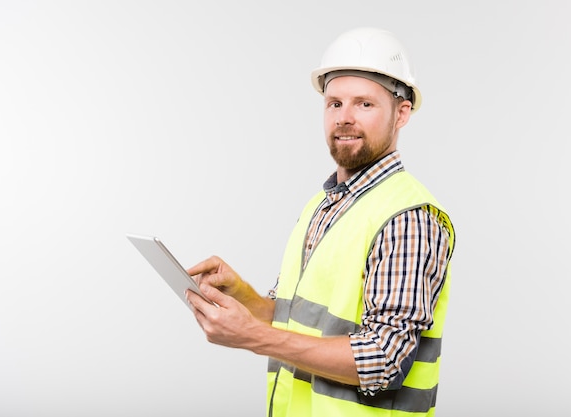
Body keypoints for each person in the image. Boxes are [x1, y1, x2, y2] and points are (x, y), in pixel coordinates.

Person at [185, 27, 456, 417]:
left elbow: (383, 360)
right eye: (334, 104)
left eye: (364, 104)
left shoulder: (408, 217)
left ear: (402, 113)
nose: (344, 118)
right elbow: (298, 322)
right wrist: (242, 295)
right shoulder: (322, 204)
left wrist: (252, 337)